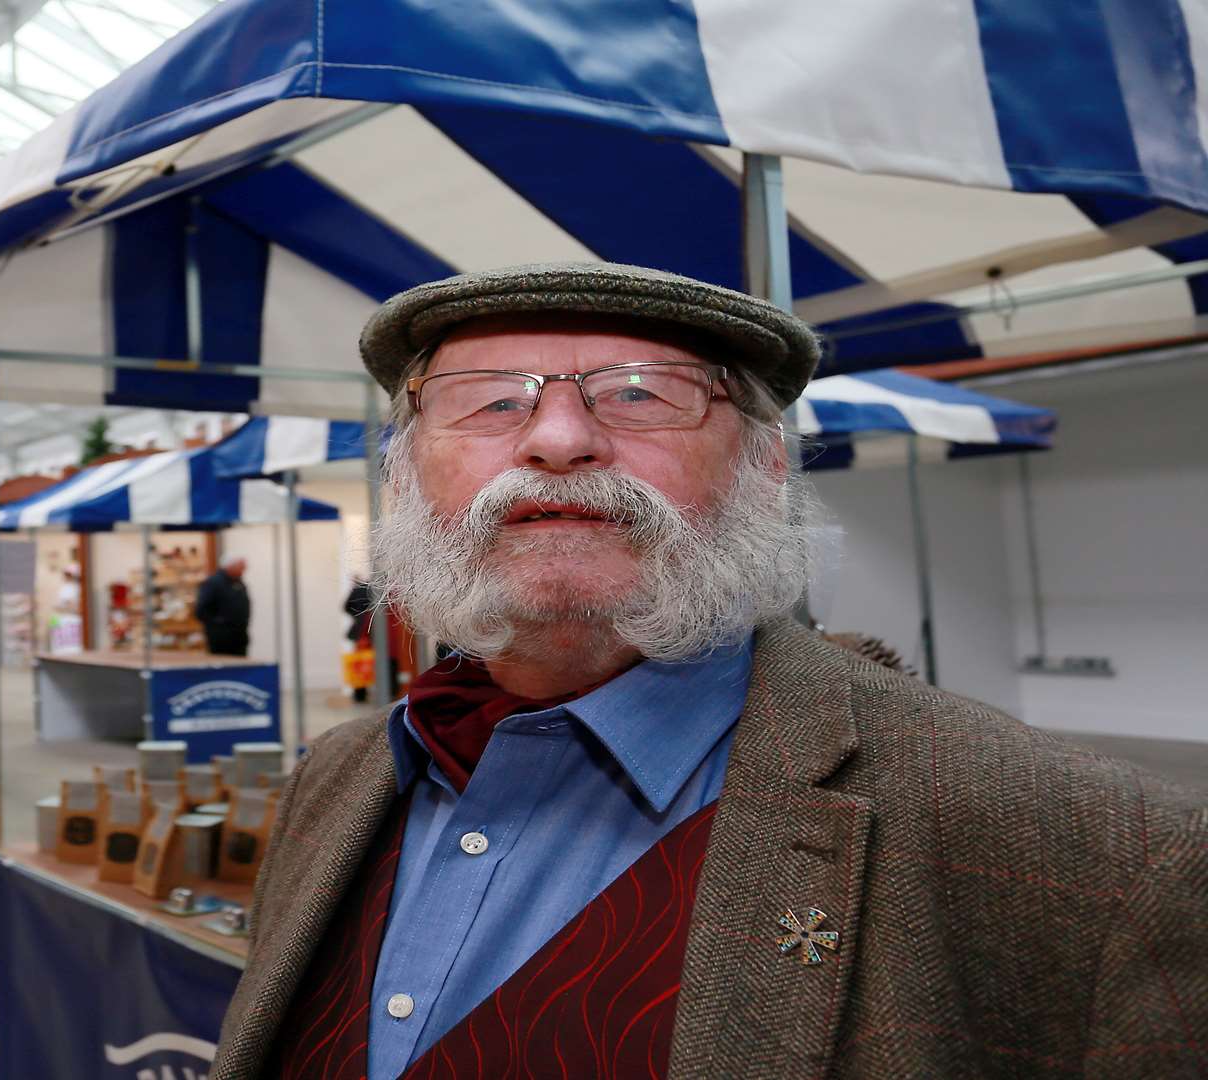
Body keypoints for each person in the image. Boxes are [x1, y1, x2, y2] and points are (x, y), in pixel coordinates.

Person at [212, 264, 1206, 1079]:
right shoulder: (337, 778)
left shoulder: (1100, 856)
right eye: (487, 402)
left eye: (642, 394)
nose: (558, 440)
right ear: (406, 473)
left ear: (765, 465)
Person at [194, 557, 251, 656]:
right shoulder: (213, 583)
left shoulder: (238, 582)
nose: (243, 570)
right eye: (241, 567)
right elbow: (201, 610)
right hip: (221, 639)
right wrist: (219, 624)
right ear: (230, 566)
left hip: (239, 636)